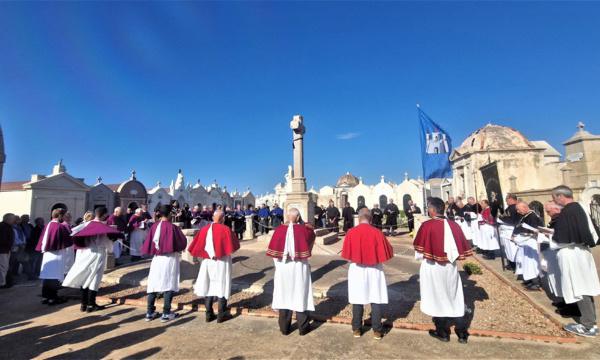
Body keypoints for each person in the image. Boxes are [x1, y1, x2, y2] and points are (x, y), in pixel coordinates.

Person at [413, 197, 472, 343]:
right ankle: (462, 332)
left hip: (432, 267)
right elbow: (462, 247)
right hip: (450, 267)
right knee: (454, 295)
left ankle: (442, 332)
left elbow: (419, 251)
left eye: (428, 208)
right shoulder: (454, 225)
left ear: (432, 210)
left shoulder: (427, 226)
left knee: (436, 296)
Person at [551, 185, 600, 337]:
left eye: (554, 197)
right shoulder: (581, 207)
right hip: (582, 253)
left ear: (560, 196)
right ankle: (590, 322)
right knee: (585, 286)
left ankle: (588, 326)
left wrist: (551, 240)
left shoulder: (568, 211)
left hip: (572, 255)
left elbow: (562, 239)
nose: (554, 200)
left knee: (580, 289)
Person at [341, 208, 394, 340]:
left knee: (357, 298)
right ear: (370, 219)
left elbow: (347, 254)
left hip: (357, 269)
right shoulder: (377, 232)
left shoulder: (351, 232)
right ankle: (377, 330)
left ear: (358, 219)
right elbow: (388, 251)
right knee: (376, 297)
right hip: (375, 269)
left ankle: (357, 329)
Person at [267, 208, 316, 336]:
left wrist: (279, 265)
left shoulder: (279, 230)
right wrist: (305, 225)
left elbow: (274, 254)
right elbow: (312, 235)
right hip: (299, 267)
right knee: (301, 294)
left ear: (287, 216)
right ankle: (303, 328)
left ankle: (284, 328)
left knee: (284, 294)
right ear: (298, 217)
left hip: (283, 268)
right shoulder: (304, 230)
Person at [63, 206, 119, 312]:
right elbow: (106, 243)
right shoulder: (102, 227)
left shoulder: (86, 224)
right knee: (94, 278)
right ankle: (91, 304)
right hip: (97, 254)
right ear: (103, 215)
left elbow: (75, 234)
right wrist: (113, 239)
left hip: (84, 253)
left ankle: (83, 304)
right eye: (106, 215)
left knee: (85, 277)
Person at [189, 210, 240, 323]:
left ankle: (209, 314)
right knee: (222, 285)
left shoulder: (204, 229)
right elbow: (235, 245)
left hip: (207, 262)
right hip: (222, 262)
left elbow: (195, 246)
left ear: (213, 217)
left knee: (209, 286)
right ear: (223, 218)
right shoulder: (226, 229)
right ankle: (222, 314)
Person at [141, 204, 188, 322]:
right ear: (169, 214)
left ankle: (150, 312)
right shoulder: (172, 227)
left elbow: (149, 243)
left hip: (157, 259)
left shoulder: (154, 227)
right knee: (169, 284)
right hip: (169, 259)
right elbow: (182, 243)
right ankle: (166, 313)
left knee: (153, 284)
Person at [36, 208, 74, 305]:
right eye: (64, 215)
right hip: (57, 253)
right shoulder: (59, 227)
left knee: (47, 276)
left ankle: (45, 296)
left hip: (47, 254)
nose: (65, 217)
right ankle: (53, 297)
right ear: (60, 216)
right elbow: (69, 240)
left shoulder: (48, 225)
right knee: (54, 276)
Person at [512, 201, 543, 291]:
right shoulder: (526, 215)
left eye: (518, 209)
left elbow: (532, 231)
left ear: (525, 207)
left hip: (531, 243)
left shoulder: (532, 216)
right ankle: (530, 280)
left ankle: (536, 283)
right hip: (526, 243)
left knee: (532, 263)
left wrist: (518, 237)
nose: (517, 212)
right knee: (526, 262)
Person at [498, 194, 521, 271]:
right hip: (506, 232)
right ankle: (511, 263)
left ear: (511, 199)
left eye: (507, 199)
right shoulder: (509, 208)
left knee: (512, 249)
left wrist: (500, 219)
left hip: (510, 231)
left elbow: (513, 221)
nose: (506, 201)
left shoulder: (515, 208)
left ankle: (515, 265)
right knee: (508, 249)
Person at [0, 213, 15, 288]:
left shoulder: (7, 226)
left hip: (5, 250)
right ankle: (2, 283)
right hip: (2, 250)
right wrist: (10, 245)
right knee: (3, 267)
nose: (14, 220)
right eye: (13, 219)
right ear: (8, 219)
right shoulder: (3, 227)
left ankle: (4, 282)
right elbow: (3, 239)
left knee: (4, 267)